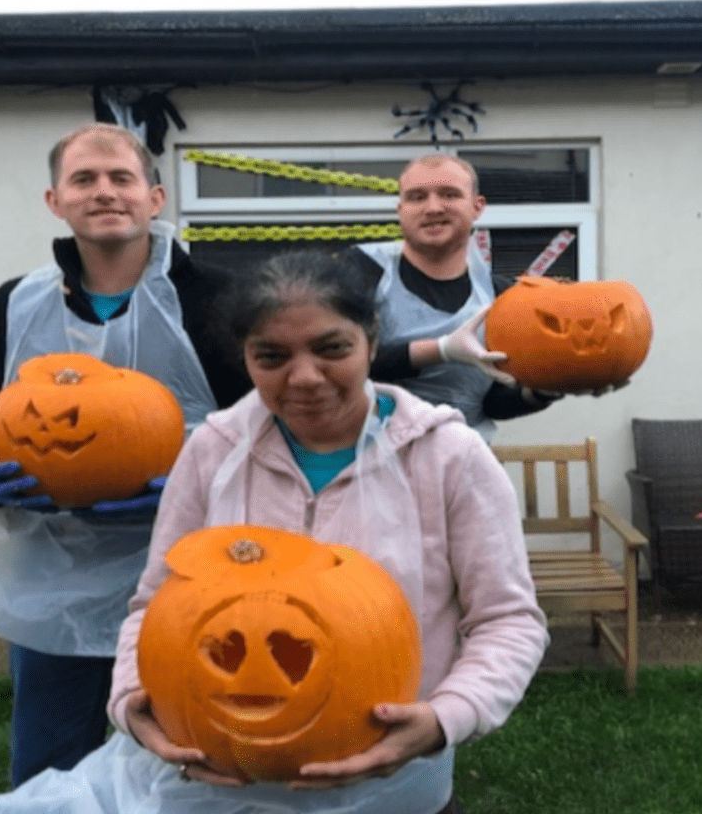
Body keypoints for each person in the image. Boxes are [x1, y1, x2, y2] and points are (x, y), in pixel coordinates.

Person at [106, 248, 548, 814]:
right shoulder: (211, 452)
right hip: (226, 791)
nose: (305, 377)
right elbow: (153, 603)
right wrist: (129, 700)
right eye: (272, 356)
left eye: (331, 348)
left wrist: (446, 717)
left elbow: (507, 619)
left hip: (399, 791)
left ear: (371, 337)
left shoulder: (448, 458)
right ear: (245, 357)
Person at [0, 123, 251, 786]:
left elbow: (270, 426)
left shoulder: (224, 299)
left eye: (120, 178)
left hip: (193, 566)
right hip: (55, 569)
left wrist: (192, 477)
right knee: (49, 762)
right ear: (55, 200)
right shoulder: (16, 303)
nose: (104, 191)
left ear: (155, 196)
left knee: (192, 755)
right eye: (84, 179)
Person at [351, 153, 559, 432]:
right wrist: (442, 350)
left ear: (477, 207)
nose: (434, 208)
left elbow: (486, 402)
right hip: (376, 461)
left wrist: (542, 391)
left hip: (464, 460)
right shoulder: (361, 270)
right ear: (400, 209)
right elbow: (340, 363)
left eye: (449, 195)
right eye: (417, 197)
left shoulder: (502, 296)